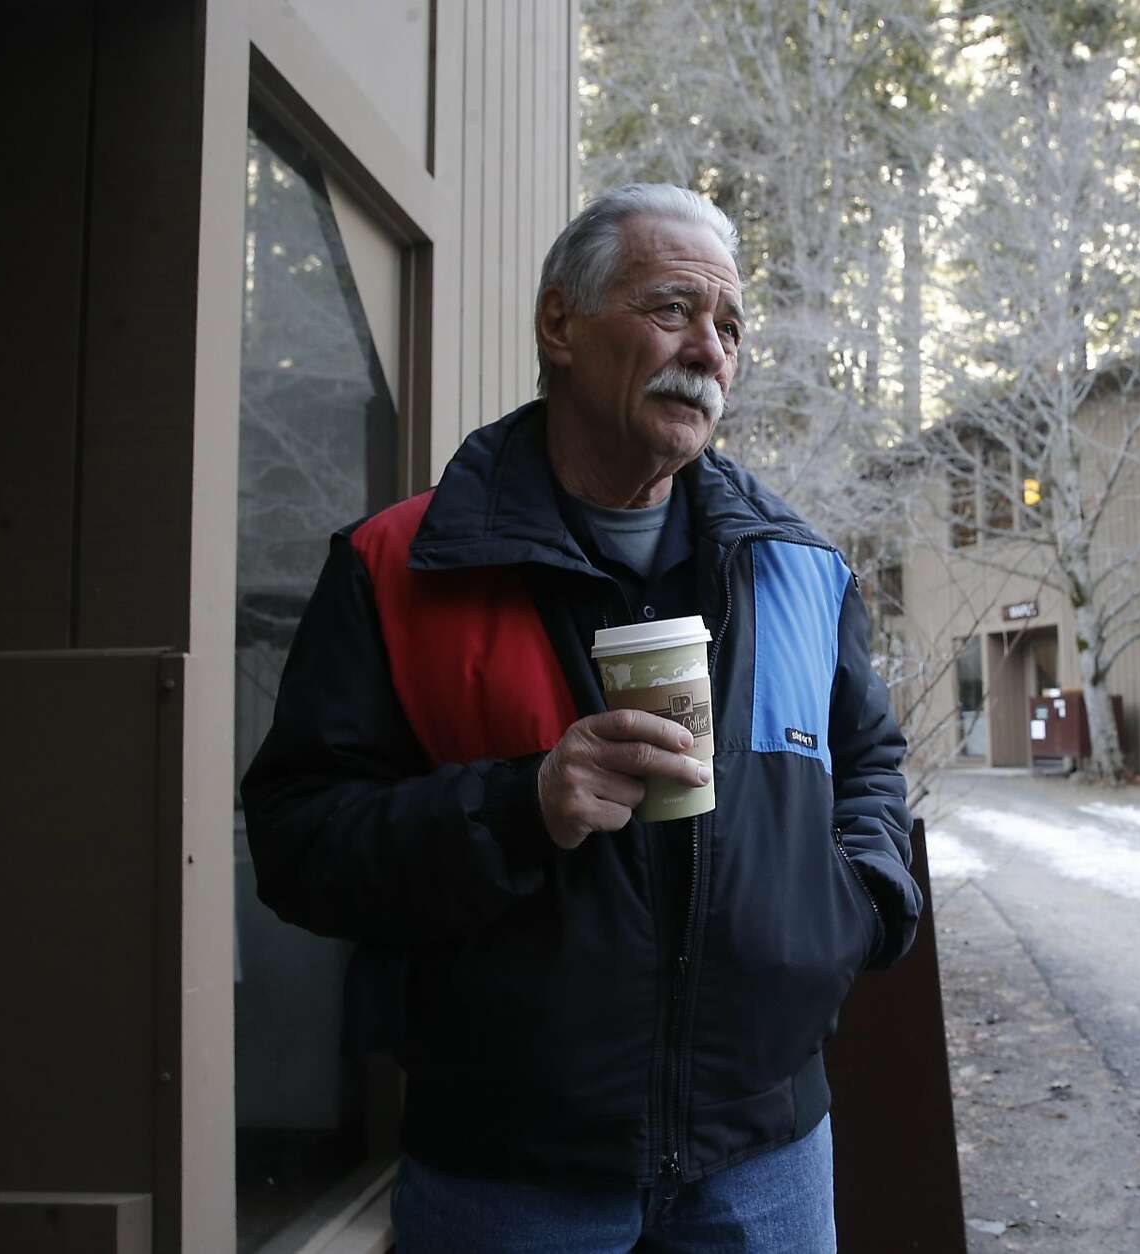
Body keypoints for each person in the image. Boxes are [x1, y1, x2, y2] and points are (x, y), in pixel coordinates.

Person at [241, 182, 922, 1252]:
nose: (709, 350)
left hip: (767, 1155)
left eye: (730, 326)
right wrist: (522, 807)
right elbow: (298, 842)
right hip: (509, 1174)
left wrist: (852, 908)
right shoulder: (398, 567)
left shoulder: (798, 570)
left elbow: (869, 764)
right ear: (560, 324)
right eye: (672, 309)